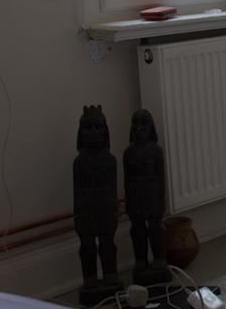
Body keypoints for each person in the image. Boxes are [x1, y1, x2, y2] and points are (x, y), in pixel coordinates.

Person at [73, 105, 122, 304]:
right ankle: (90, 278)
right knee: (87, 246)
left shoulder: (110, 160)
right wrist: (78, 216)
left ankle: (110, 274)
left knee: (107, 244)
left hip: (105, 209)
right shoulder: (79, 163)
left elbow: (113, 189)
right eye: (88, 127)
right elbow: (77, 193)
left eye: (98, 127)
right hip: (86, 210)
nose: (93, 132)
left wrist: (114, 211)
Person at [123, 109, 170, 285]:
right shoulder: (128, 153)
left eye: (144, 122)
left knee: (155, 227)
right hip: (135, 195)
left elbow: (161, 179)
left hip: (152, 195)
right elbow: (126, 180)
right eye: (136, 123)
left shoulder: (156, 151)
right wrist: (128, 201)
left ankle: (159, 258)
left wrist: (161, 200)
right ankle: (140, 259)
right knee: (137, 229)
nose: (139, 127)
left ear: (151, 127)